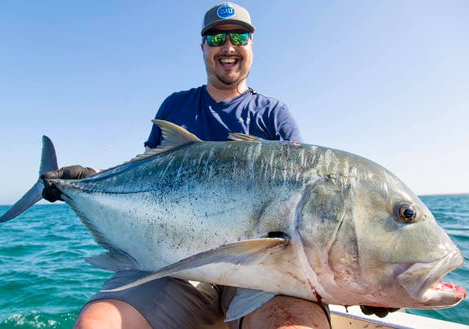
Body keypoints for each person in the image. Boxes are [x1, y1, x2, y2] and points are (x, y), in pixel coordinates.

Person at [42, 3, 396, 329]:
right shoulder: (175, 106)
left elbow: (302, 215)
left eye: (239, 36)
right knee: (97, 323)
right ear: (203, 47)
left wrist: (365, 276)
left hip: (266, 274)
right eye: (216, 37)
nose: (228, 46)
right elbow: (144, 181)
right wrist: (90, 182)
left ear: (252, 45)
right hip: (176, 266)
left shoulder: (274, 115)